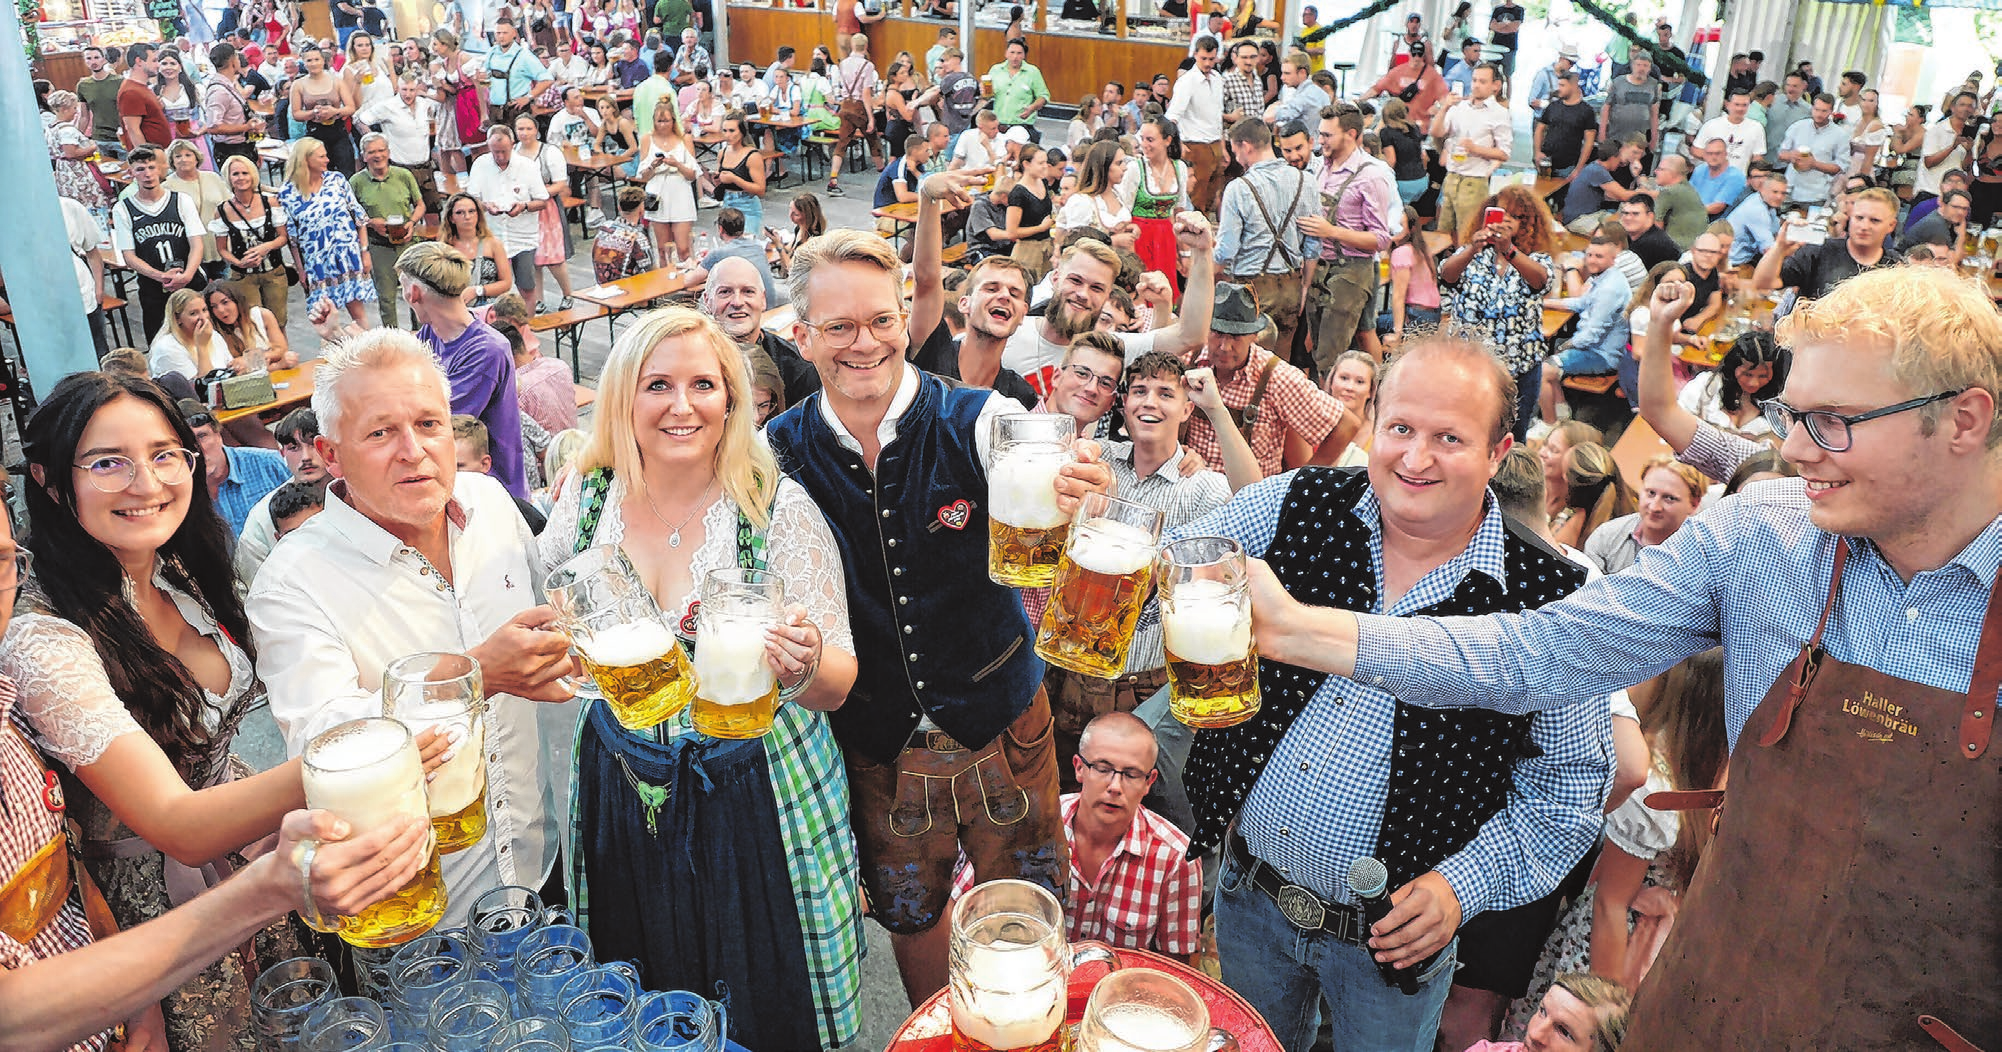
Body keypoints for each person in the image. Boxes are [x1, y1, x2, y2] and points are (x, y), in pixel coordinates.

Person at [1252, 264, 2002, 1047]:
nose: (1794, 448)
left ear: (1963, 421)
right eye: (1792, 414)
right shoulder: (1763, 534)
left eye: (1834, 421)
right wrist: (1299, 630)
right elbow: (1541, 649)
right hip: (1739, 990)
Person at [1177, 337, 1610, 1052]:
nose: (1415, 459)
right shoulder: (1295, 504)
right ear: (1372, 421)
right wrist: (1097, 519)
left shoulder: (1552, 597)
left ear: (1500, 452)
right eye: (1401, 428)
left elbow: (1567, 796)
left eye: (1450, 438)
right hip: (1249, 898)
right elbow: (1170, 564)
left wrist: (1459, 887)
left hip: (1393, 948)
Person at [765, 227, 1116, 1006]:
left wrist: (1076, 483)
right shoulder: (777, 452)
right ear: (803, 337)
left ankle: (1025, 1025)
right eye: (840, 327)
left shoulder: (976, 417)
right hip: (878, 737)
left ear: (908, 318)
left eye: (882, 321)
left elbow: (1033, 453)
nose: (866, 344)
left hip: (1002, 722)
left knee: (1029, 905)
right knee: (911, 915)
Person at [535, 306, 858, 1050]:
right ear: (624, 398)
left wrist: (804, 665)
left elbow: (837, 680)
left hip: (760, 779)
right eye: (658, 385)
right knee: (647, 980)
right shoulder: (586, 500)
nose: (682, 406)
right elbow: (556, 602)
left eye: (704, 385)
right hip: (625, 777)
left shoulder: (774, 507)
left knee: (770, 988)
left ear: (732, 402)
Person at [3, 373, 328, 1051]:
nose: (146, 483)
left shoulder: (174, 566)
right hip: (154, 907)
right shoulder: (45, 637)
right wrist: (361, 754)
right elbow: (177, 825)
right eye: (107, 462)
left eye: (163, 454)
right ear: (51, 481)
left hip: (245, 844)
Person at [247, 328, 574, 934]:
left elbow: (549, 631)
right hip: (420, 919)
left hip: (545, 868)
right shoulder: (291, 581)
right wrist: (475, 674)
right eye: (380, 432)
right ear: (331, 454)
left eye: (430, 424)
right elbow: (326, 751)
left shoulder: (491, 506)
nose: (413, 450)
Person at [950, 711, 1203, 958]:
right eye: (1102, 769)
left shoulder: (1177, 859)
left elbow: (1176, 964)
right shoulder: (1026, 827)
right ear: (1079, 768)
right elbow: (961, 915)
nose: (1115, 787)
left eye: (1131, 774)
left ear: (1149, 782)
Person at [387, 242, 530, 499]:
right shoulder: (432, 334)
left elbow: (436, 422)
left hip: (492, 494)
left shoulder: (486, 351)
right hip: (460, 486)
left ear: (414, 293)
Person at [1184, 283, 1352, 480]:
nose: (1225, 346)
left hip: (1249, 500)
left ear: (1254, 336)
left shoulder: (1276, 376)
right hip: (1192, 492)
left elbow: (1345, 425)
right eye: (1217, 333)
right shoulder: (1188, 359)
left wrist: (1303, 482)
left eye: (1236, 337)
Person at [1441, 185, 1556, 440]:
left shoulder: (1536, 258)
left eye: (1514, 216)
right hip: (1470, 367)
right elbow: (1447, 275)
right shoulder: (1471, 254)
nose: (1505, 220)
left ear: (1527, 224)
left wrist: (1509, 251)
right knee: (1464, 431)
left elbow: (1541, 281)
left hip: (1519, 369)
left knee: (1514, 437)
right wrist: (1473, 248)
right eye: (1500, 213)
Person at [1214, 119, 1319, 362]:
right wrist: (1304, 287)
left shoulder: (1238, 188)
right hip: (1292, 284)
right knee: (1279, 366)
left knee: (1249, 365)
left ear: (1246, 146)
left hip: (1251, 291)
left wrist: (1203, 271)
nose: (1235, 156)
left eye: (1235, 149)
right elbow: (1313, 245)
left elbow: (1226, 252)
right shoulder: (1307, 181)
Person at [1302, 103, 1395, 374]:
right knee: (1318, 347)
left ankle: (1333, 412)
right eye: (1320, 134)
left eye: (1327, 135)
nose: (1320, 141)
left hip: (1352, 271)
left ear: (1351, 134)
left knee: (1330, 357)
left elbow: (1380, 239)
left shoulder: (1371, 175)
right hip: (1319, 267)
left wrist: (1331, 232)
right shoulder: (1319, 168)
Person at [111, 146, 206, 341]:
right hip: (153, 289)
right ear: (131, 173)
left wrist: (187, 275)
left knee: (199, 339)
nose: (147, 174)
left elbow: (197, 243)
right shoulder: (123, 209)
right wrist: (161, 276)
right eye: (140, 169)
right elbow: (129, 256)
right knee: (160, 343)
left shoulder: (181, 200)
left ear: (161, 169)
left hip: (189, 283)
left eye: (151, 168)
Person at [279, 136, 376, 329]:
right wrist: (301, 269)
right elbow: (293, 238)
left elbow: (360, 218)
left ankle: (371, 348)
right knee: (325, 317)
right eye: (321, 157)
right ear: (306, 160)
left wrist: (364, 252)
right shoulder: (288, 193)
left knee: (358, 312)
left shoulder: (337, 180)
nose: (327, 160)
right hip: (317, 261)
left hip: (347, 254)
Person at [701, 255, 819, 408]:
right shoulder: (690, 360)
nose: (737, 302)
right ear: (707, 301)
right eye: (725, 292)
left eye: (748, 292)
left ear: (763, 300)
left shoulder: (797, 370)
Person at [1539, 236, 1631, 423]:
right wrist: (1545, 302)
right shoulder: (1604, 278)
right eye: (1589, 255)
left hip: (1602, 356)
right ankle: (1561, 416)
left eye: (1599, 256)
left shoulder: (1610, 289)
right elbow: (1581, 302)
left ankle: (1549, 423)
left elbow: (1591, 335)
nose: (1592, 260)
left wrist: (1566, 346)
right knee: (1546, 359)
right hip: (1590, 347)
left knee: (1541, 371)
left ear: (1613, 259)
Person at [1753, 185, 1902, 300]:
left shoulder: (1895, 268)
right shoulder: (1819, 252)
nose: (1864, 226)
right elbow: (1763, 284)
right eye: (1859, 218)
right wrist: (1779, 248)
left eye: (1874, 221)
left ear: (1891, 226)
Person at [233, 407, 328, 584]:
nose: (306, 457)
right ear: (282, 453)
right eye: (294, 448)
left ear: (328, 445)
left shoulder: (361, 494)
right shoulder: (263, 519)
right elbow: (253, 586)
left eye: (312, 445)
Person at [465, 123, 552, 305]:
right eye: (495, 152)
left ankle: (527, 327)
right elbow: (471, 200)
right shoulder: (480, 164)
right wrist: (486, 206)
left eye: (504, 151)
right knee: (493, 286)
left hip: (522, 235)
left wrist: (524, 206)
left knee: (527, 286)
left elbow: (542, 201)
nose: (500, 156)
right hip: (491, 235)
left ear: (512, 144)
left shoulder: (527, 166)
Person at [351, 132, 426, 328]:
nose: (377, 156)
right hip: (379, 246)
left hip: (407, 242)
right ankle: (393, 339)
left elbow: (420, 205)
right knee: (386, 298)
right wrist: (369, 222)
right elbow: (349, 216)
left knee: (416, 293)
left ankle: (420, 336)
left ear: (388, 152)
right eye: (371, 152)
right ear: (363, 156)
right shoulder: (357, 182)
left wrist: (412, 222)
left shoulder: (403, 175)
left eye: (381, 150)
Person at [1582, 455, 1706, 574]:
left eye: (1669, 498)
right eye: (1651, 493)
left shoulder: (1699, 560)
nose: (1654, 507)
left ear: (1694, 504)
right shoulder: (1606, 536)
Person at [358, 75, 441, 212]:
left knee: (433, 212)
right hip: (399, 169)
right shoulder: (388, 106)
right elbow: (361, 120)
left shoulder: (425, 105)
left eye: (412, 90)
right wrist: (374, 142)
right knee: (400, 213)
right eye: (404, 89)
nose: (408, 94)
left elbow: (439, 107)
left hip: (425, 168)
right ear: (398, 89)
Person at [1127, 116, 1191, 283]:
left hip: (1165, 238)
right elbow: (1124, 211)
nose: (1144, 145)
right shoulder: (1136, 168)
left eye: (1150, 140)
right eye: (1142, 139)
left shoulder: (1180, 168)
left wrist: (1184, 253)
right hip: (1139, 236)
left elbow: (1179, 213)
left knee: (1164, 285)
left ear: (1167, 140)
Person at [1169, 37, 1227, 215]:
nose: (1208, 63)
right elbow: (1172, 116)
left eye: (1211, 59)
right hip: (1194, 144)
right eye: (1203, 58)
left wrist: (1222, 147)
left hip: (1215, 143)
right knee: (1197, 198)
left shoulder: (1218, 80)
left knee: (1212, 194)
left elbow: (1218, 116)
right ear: (1195, 55)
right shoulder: (1186, 82)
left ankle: (1205, 231)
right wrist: (1176, 143)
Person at [637, 97, 698, 264]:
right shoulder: (646, 139)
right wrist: (653, 166)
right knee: (663, 249)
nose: (662, 125)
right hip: (657, 192)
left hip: (680, 190)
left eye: (666, 121)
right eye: (659, 121)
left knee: (683, 247)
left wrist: (677, 164)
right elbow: (642, 176)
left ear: (673, 120)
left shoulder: (684, 139)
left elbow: (692, 174)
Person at [822, 32, 881, 197]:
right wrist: (871, 117)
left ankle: (833, 179)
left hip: (845, 105)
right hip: (859, 106)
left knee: (842, 144)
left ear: (852, 46)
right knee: (873, 141)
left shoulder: (843, 64)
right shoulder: (867, 66)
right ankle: (884, 176)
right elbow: (866, 93)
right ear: (866, 47)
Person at [438, 190, 514, 308]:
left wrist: (478, 290)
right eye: (460, 213)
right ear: (451, 218)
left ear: (478, 214)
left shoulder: (493, 244)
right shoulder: (444, 248)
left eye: (471, 211)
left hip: (490, 308)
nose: (467, 217)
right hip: (458, 308)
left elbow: (506, 283)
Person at [1379, 206, 1441, 350]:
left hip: (1415, 317)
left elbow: (1398, 296)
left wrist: (1398, 333)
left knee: (1368, 327)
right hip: (1432, 316)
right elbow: (1385, 278)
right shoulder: (1421, 249)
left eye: (1400, 225)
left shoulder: (1402, 252)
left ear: (1411, 229)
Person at [289, 47, 358, 175]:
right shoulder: (298, 84)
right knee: (319, 172)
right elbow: (296, 113)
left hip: (337, 130)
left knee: (346, 171)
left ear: (323, 61)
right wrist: (313, 113)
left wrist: (334, 111)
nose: (314, 63)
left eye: (317, 59)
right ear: (304, 63)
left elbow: (350, 107)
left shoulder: (336, 81)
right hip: (315, 131)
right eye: (309, 60)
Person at [1776, 94, 1850, 208]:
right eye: (1816, 109)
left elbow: (1840, 168)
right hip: (1789, 189)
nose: (1819, 114)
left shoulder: (1840, 135)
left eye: (1824, 111)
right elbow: (1781, 154)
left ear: (1831, 111)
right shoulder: (1797, 126)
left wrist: (1814, 164)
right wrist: (1791, 156)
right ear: (1812, 108)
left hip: (1816, 194)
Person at [148, 287, 233, 383]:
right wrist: (202, 347)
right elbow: (203, 388)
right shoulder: (167, 348)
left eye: (204, 310)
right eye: (193, 313)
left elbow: (229, 369)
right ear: (177, 318)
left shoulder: (213, 335)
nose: (203, 318)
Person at [205, 282, 293, 374]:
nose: (221, 310)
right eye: (214, 307)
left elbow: (281, 350)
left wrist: (248, 360)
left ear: (237, 301)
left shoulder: (262, 316)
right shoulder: (215, 334)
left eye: (225, 302)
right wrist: (275, 365)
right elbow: (232, 371)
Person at [480, 19, 552, 128]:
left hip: (516, 111)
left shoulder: (524, 56)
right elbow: (484, 80)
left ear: (514, 33)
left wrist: (529, 97)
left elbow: (547, 79)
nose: (501, 36)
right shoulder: (491, 53)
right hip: (495, 110)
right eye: (498, 33)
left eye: (505, 33)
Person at [1362, 39, 1448, 131]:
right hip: (1399, 125)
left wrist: (1438, 108)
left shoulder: (1433, 75)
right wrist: (1359, 101)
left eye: (1419, 54)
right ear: (1409, 53)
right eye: (1414, 54)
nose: (1416, 58)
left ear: (1423, 56)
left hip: (1420, 126)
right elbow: (1376, 89)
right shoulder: (1398, 71)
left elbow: (1444, 98)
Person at [201, 44, 261, 171]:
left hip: (244, 145)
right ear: (233, 61)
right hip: (232, 151)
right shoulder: (219, 91)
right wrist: (246, 127)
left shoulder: (229, 84)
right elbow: (214, 126)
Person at [1561, 139, 1641, 233]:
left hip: (1591, 214)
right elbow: (1623, 195)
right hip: (1578, 220)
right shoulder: (1598, 171)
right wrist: (1644, 190)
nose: (1620, 161)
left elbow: (1613, 195)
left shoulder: (1596, 166)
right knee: (1619, 228)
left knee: (1624, 219)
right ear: (1612, 157)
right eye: (1619, 157)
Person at [1534, 70, 1597, 187]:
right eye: (1559, 85)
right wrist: (1537, 152)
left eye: (1562, 85)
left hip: (1568, 165)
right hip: (1546, 162)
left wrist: (1578, 168)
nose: (1559, 88)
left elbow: (1589, 141)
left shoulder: (1586, 111)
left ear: (1573, 86)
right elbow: (1539, 129)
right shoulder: (1553, 106)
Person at [711, 111, 768, 236]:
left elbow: (761, 189)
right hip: (727, 203)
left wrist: (735, 179)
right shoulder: (723, 153)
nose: (728, 135)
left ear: (742, 132)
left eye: (732, 131)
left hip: (747, 204)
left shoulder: (752, 156)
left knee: (746, 247)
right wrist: (718, 181)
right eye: (725, 131)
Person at [1598, 52, 1658, 166]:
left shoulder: (1653, 84)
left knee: (1633, 167)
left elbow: (1654, 111)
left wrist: (1654, 137)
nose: (1641, 68)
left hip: (1638, 138)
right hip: (1616, 134)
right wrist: (1602, 133)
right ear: (1632, 65)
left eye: (1645, 66)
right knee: (1612, 164)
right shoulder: (1618, 82)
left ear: (1650, 68)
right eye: (1638, 64)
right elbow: (1606, 107)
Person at [989, 37, 1050, 145]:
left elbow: (1044, 96)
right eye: (1012, 52)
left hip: (1021, 126)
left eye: (1019, 53)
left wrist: (1032, 108)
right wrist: (984, 93)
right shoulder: (995, 70)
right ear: (1006, 53)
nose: (1015, 57)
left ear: (1024, 55)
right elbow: (988, 94)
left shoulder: (1032, 72)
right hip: (999, 127)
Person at [592, 184, 656, 283]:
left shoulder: (605, 228)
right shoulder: (637, 236)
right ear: (641, 210)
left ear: (619, 208)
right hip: (627, 289)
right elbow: (650, 270)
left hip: (602, 286)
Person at [1693, 90, 1766, 173]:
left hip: (1737, 179)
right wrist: (1715, 159)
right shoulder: (1711, 124)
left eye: (1744, 105)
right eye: (1737, 104)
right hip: (1711, 176)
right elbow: (1696, 150)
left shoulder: (1756, 128)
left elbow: (1758, 157)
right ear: (1728, 104)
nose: (1740, 108)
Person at [116, 43, 173, 151]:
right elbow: (133, 130)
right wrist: (147, 158)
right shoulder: (131, 91)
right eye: (154, 61)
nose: (158, 65)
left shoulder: (141, 87)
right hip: (151, 158)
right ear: (139, 61)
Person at [1725, 171, 1787, 266]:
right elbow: (1769, 251)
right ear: (1762, 189)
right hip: (1732, 263)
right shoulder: (1757, 211)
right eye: (1775, 192)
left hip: (1746, 257)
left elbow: (1776, 229)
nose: (1779, 197)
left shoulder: (1764, 201)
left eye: (1783, 193)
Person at [75, 45, 126, 155]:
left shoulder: (120, 81)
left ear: (104, 59)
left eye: (96, 57)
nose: (93, 61)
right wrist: (78, 137)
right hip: (99, 136)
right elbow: (84, 116)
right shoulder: (83, 85)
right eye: (89, 58)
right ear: (85, 61)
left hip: (120, 134)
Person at [1650, 156, 1709, 250]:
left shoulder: (1668, 192)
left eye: (1660, 169)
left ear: (1672, 173)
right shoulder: (1689, 189)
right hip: (1696, 248)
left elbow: (1656, 225)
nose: (1655, 172)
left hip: (1676, 248)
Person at [1899, 186, 1971, 256]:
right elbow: (1950, 262)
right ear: (1943, 204)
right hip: (1904, 264)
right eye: (1955, 207)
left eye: (1964, 209)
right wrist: (1961, 236)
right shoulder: (1936, 225)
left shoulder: (1943, 218)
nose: (1960, 212)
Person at [1689, 138, 1746, 218]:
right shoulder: (1700, 169)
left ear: (1725, 154)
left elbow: (1717, 207)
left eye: (1717, 153)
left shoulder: (1735, 176)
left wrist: (1688, 212)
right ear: (1704, 155)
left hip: (1716, 222)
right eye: (1709, 153)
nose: (1713, 157)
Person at [1526, 46, 1576, 115]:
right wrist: (1547, 104)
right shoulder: (1543, 74)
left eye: (1574, 63)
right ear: (1561, 59)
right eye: (1570, 62)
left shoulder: (1570, 78)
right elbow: (1532, 101)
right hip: (1542, 120)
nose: (1571, 66)